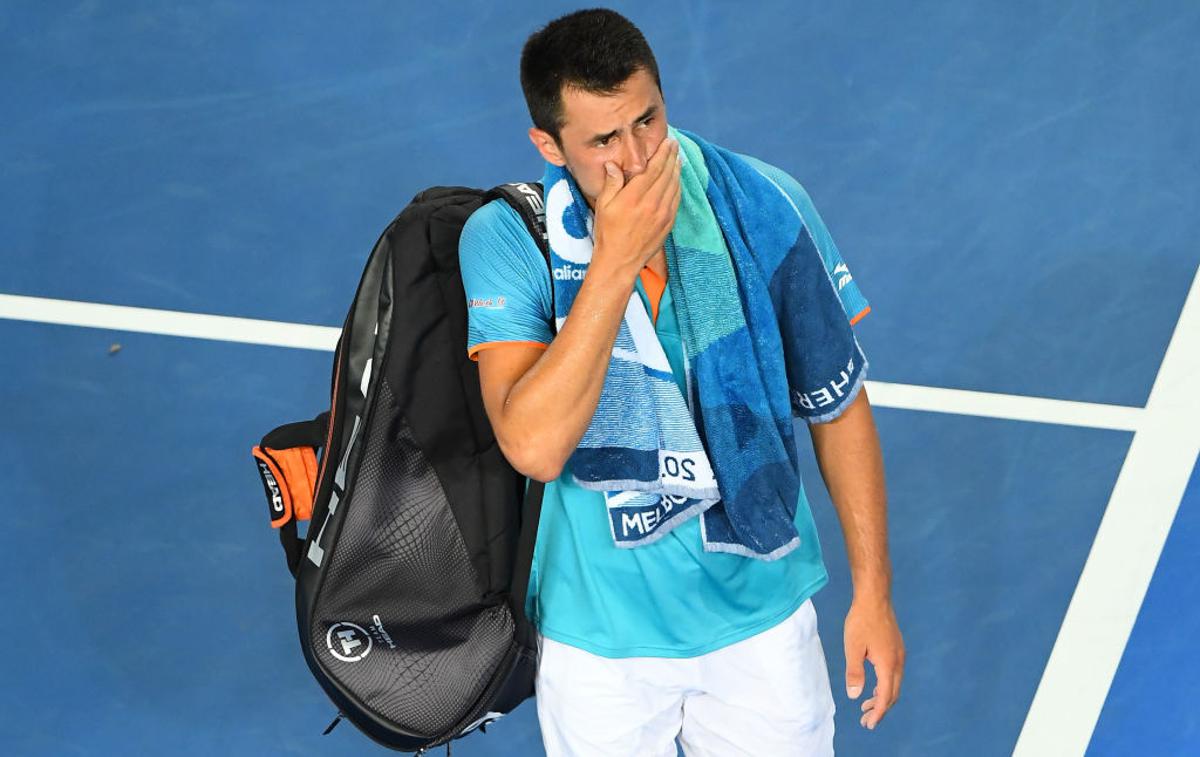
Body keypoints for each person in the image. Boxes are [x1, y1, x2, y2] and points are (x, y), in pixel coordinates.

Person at [458, 8, 904, 755]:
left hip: (762, 622)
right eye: (603, 140)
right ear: (549, 144)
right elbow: (532, 443)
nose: (636, 159)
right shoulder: (508, 238)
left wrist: (874, 593)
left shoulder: (763, 203)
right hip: (600, 644)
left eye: (648, 121)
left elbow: (838, 405)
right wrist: (613, 263)